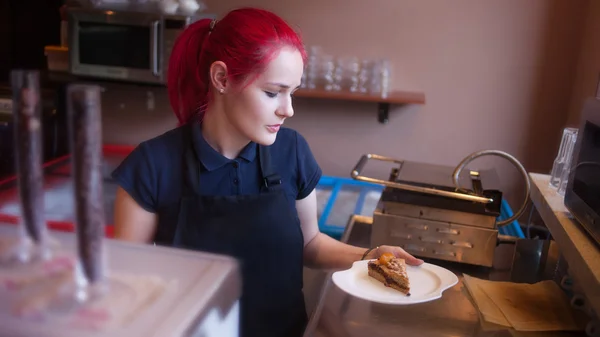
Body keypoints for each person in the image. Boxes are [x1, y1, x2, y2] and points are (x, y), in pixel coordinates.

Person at [111, 7, 424, 337]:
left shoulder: (292, 152)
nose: (287, 110)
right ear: (221, 78)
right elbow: (128, 285)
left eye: (292, 93)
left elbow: (310, 244)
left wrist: (371, 257)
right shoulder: (152, 165)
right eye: (273, 92)